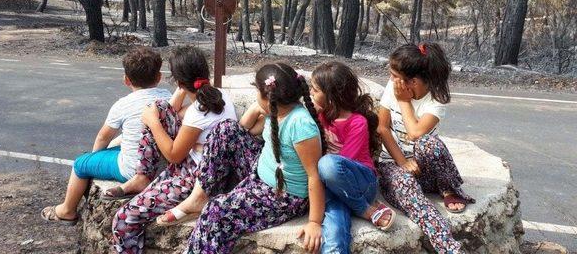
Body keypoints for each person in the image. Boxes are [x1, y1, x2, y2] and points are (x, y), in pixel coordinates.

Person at [174, 63, 325, 254]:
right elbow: (242, 128)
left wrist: (314, 222)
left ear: (268, 96)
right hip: (261, 173)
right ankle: (200, 195)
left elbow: (314, 176)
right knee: (226, 128)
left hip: (283, 195)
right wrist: (256, 108)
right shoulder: (275, 110)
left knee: (216, 213)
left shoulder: (300, 125)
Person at [111, 46, 237, 254]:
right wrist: (179, 91)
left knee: (124, 218)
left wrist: (153, 123)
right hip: (203, 167)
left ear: (178, 82)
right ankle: (143, 177)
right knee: (159, 107)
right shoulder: (220, 96)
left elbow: (173, 155)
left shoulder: (197, 112)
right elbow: (170, 110)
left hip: (197, 178)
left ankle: (143, 176)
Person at [40, 47, 170, 225]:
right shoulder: (169, 97)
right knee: (121, 141)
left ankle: (67, 210)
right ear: (159, 77)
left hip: (133, 171)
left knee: (80, 164)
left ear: (126, 80)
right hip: (163, 166)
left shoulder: (123, 105)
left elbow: (103, 137)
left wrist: (95, 157)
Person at [377, 42, 474, 254]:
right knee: (406, 186)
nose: (391, 79)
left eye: (394, 75)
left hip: (425, 169)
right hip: (394, 165)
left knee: (429, 143)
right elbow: (382, 128)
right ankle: (450, 248)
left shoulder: (436, 100)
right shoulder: (392, 87)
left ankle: (448, 188)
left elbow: (415, 133)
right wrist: (401, 162)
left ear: (413, 81)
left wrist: (403, 102)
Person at [309, 61, 396, 254]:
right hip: (334, 188)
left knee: (327, 164)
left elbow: (341, 163)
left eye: (315, 90)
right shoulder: (321, 116)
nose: (311, 94)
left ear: (331, 95)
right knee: (334, 226)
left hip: (361, 182)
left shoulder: (357, 122)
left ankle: (365, 210)